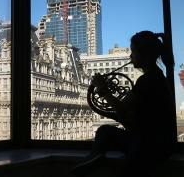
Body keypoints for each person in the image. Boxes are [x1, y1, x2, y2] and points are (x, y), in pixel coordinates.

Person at [71, 31, 177, 177]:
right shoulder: (155, 76)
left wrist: (101, 87)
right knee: (104, 131)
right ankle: (95, 157)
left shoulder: (149, 80)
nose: (130, 55)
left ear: (145, 52)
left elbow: (120, 107)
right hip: (156, 143)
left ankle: (95, 156)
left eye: (133, 50)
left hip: (150, 145)